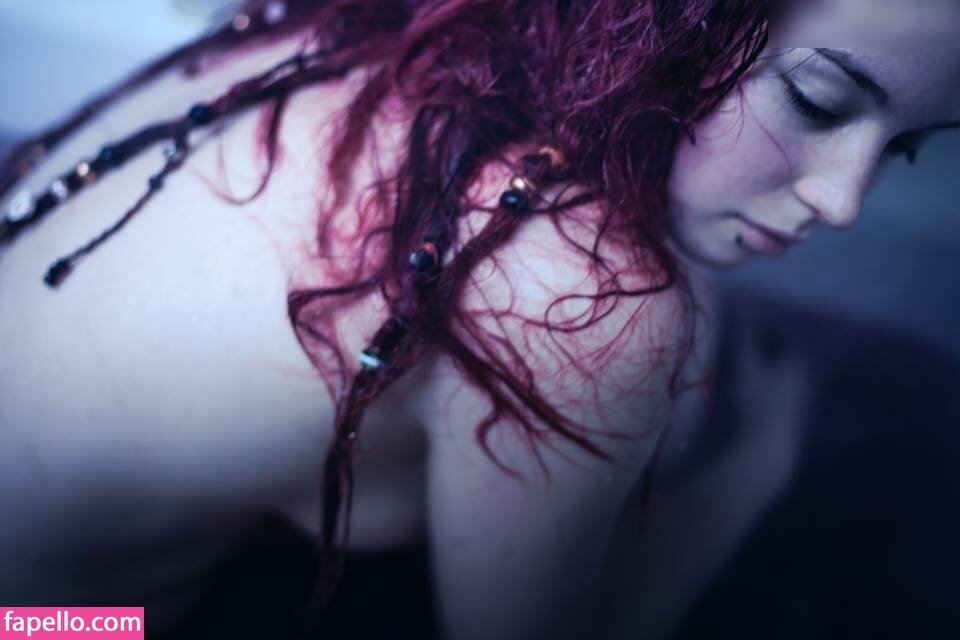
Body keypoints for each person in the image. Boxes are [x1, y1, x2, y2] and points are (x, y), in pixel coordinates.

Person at [0, 1, 957, 639]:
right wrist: (750, 470)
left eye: (908, 148)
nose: (844, 201)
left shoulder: (395, 26)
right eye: (818, 101)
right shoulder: (579, 295)